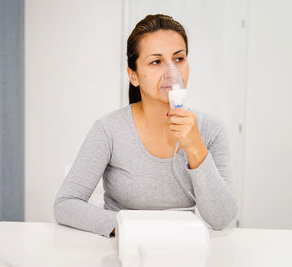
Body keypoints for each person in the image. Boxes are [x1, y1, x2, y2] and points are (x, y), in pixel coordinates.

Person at [54, 14, 237, 238]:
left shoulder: (211, 129)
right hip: (123, 249)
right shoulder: (109, 130)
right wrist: (131, 228)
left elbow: (221, 219)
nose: (172, 72)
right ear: (134, 76)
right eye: (156, 62)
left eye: (179, 58)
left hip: (182, 248)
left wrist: (195, 146)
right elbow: (65, 204)